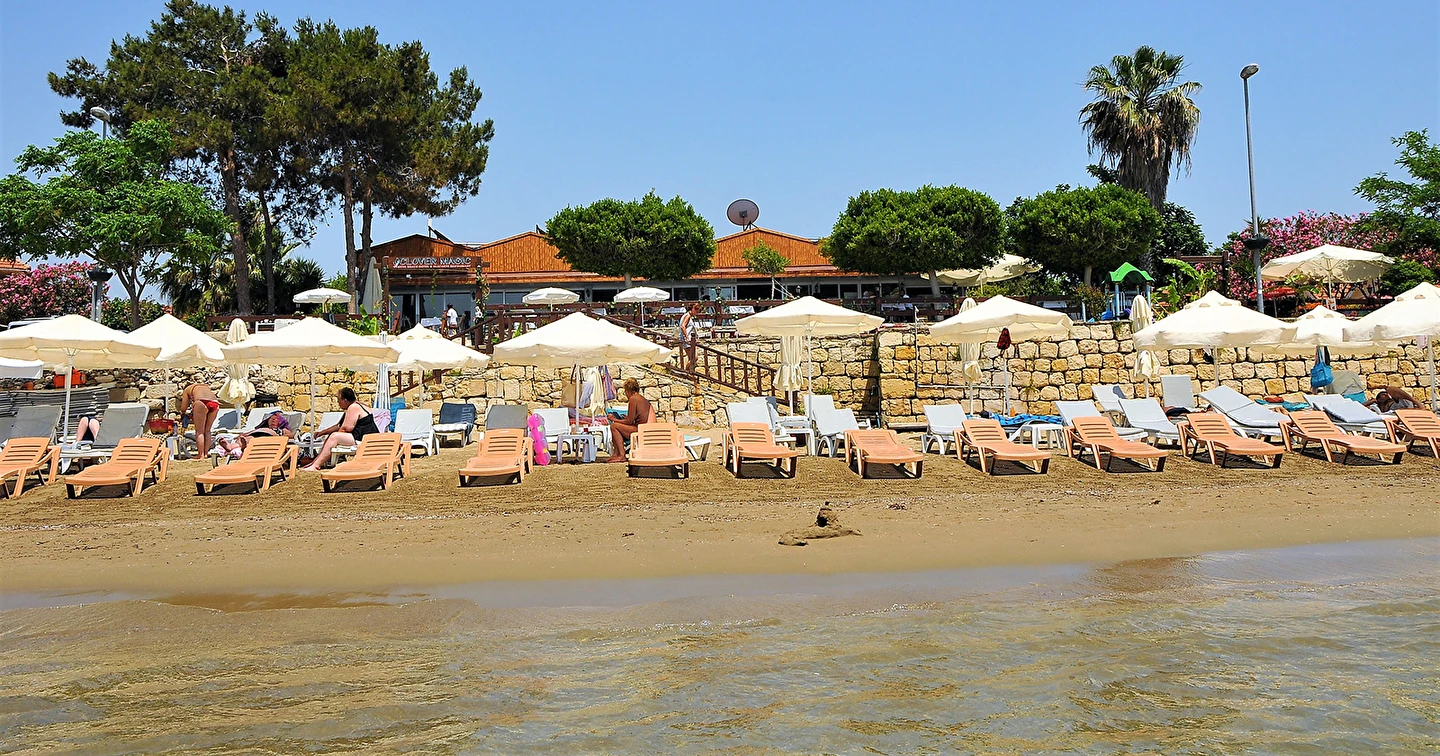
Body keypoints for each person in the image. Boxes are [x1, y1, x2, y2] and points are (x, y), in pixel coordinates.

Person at [300, 387, 380, 471]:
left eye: (339, 400)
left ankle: (316, 465)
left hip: (364, 439)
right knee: (333, 436)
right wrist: (322, 432)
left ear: (345, 400)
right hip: (367, 437)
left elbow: (346, 428)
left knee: (334, 437)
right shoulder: (360, 405)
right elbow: (339, 426)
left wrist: (334, 436)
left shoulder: (353, 408)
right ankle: (316, 462)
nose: (338, 403)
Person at [605, 378, 654, 463]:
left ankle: (621, 455)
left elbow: (629, 421)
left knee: (614, 426)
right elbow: (635, 418)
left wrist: (614, 419)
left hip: (641, 431)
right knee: (617, 425)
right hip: (645, 429)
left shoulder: (633, 399)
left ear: (628, 391)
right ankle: (616, 454)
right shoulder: (641, 398)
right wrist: (624, 418)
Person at [214, 411, 293, 457]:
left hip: (270, 438)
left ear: (280, 422)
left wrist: (280, 438)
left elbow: (291, 436)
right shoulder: (262, 428)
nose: (273, 420)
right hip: (257, 435)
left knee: (253, 440)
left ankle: (244, 447)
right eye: (271, 419)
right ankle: (230, 447)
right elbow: (250, 433)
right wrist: (243, 435)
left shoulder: (282, 429)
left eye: (275, 419)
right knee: (247, 438)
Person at [177, 382, 221, 456]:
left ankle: (201, 454)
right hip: (215, 403)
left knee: (199, 431)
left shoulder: (187, 389)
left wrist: (183, 414)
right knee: (207, 431)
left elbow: (183, 408)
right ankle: (206, 453)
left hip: (201, 402)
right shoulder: (204, 387)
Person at [678, 302, 701, 373]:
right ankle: (685, 371)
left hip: (687, 339)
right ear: (693, 309)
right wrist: (687, 337)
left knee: (691, 358)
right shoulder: (687, 316)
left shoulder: (687, 316)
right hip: (686, 340)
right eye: (697, 311)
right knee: (694, 357)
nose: (697, 313)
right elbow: (683, 326)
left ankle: (689, 373)